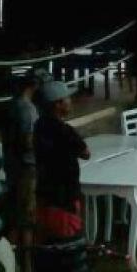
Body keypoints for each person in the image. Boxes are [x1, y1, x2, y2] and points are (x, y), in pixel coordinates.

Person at [33, 81, 90, 241]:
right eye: (67, 99)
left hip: (44, 192)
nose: (70, 102)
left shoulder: (38, 126)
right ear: (58, 104)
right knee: (67, 241)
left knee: (47, 239)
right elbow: (86, 153)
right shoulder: (65, 131)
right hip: (65, 197)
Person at [1, 72, 39, 272]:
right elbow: (28, 141)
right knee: (26, 221)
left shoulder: (12, 105)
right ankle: (26, 268)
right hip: (26, 170)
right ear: (34, 86)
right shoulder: (27, 109)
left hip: (13, 168)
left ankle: (9, 266)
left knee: (15, 217)